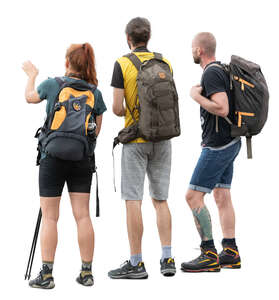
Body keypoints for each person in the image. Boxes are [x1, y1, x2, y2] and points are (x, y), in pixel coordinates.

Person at [22, 43, 107, 288]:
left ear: (67, 63)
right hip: (81, 159)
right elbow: (96, 132)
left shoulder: (53, 84)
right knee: (82, 216)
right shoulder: (95, 93)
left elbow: (29, 98)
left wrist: (31, 75)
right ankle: (87, 273)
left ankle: (47, 275)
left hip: (53, 158)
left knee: (50, 217)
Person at [108, 17, 176, 279]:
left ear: (128, 38)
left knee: (133, 200)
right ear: (149, 37)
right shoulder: (165, 62)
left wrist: (134, 115)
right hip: (163, 138)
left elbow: (116, 109)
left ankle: (136, 263)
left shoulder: (122, 63)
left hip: (135, 141)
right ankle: (167, 257)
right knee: (160, 200)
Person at [181, 32, 242, 272]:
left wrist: (196, 96)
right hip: (231, 141)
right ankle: (230, 251)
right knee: (221, 195)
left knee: (192, 197)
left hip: (217, 145)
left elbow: (222, 107)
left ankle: (208, 253)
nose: (192, 51)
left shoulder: (212, 72)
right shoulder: (223, 71)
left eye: (192, 48)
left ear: (199, 50)